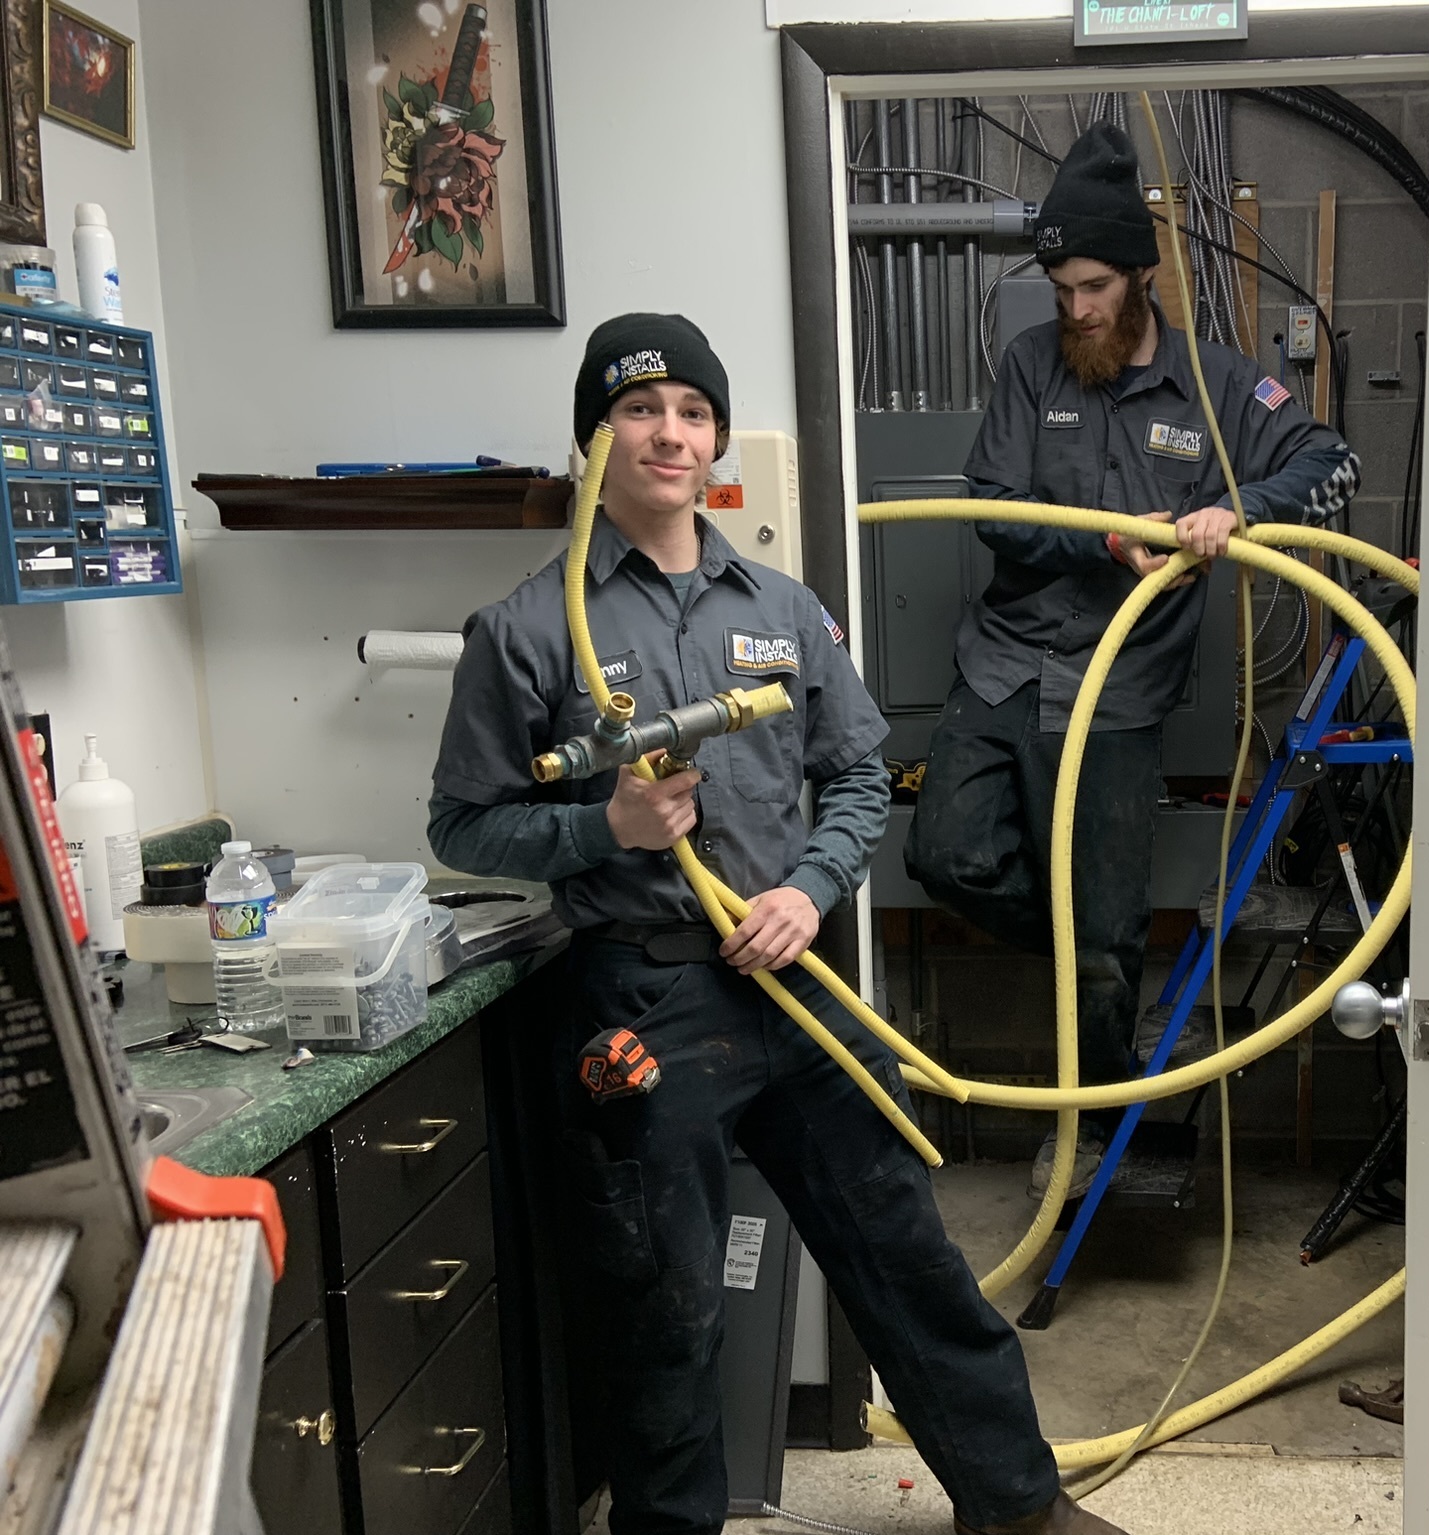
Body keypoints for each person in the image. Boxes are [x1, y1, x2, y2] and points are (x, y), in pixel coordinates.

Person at [429, 313, 1127, 1535]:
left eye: (692, 412)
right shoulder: (529, 628)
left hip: (795, 987)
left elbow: (860, 773)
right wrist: (608, 831)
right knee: (667, 1302)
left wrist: (811, 888)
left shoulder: (785, 609)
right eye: (640, 410)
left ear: (714, 443)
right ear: (596, 439)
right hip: (640, 998)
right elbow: (465, 825)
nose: (669, 432)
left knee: (904, 1250)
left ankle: (1017, 1505)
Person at [906, 124, 1361, 1197]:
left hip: (1117, 698)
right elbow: (994, 514)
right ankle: (1087, 961)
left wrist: (1233, 513)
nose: (1076, 310)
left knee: (1111, 939)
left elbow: (1329, 461)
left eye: (1096, 285)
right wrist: (1105, 534)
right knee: (948, 855)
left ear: (1143, 275)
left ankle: (1090, 1130)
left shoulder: (1215, 386)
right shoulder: (1029, 367)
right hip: (1006, 670)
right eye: (1062, 286)